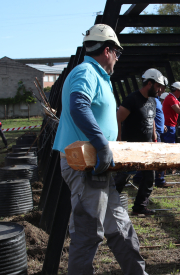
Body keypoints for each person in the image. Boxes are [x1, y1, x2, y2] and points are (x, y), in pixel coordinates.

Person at [52, 24, 147, 274]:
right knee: (88, 231)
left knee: (119, 225)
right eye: (117, 53)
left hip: (98, 167)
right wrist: (102, 145)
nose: (117, 58)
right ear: (108, 50)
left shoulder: (99, 76)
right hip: (85, 165)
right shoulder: (86, 71)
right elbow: (78, 105)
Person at [115, 68, 167, 216]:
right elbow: (118, 119)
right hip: (130, 147)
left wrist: (154, 137)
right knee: (122, 178)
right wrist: (120, 142)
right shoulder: (132, 99)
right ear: (149, 83)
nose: (159, 90)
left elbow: (150, 120)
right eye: (157, 86)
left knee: (149, 178)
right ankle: (108, 203)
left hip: (147, 147)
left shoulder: (152, 101)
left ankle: (139, 207)